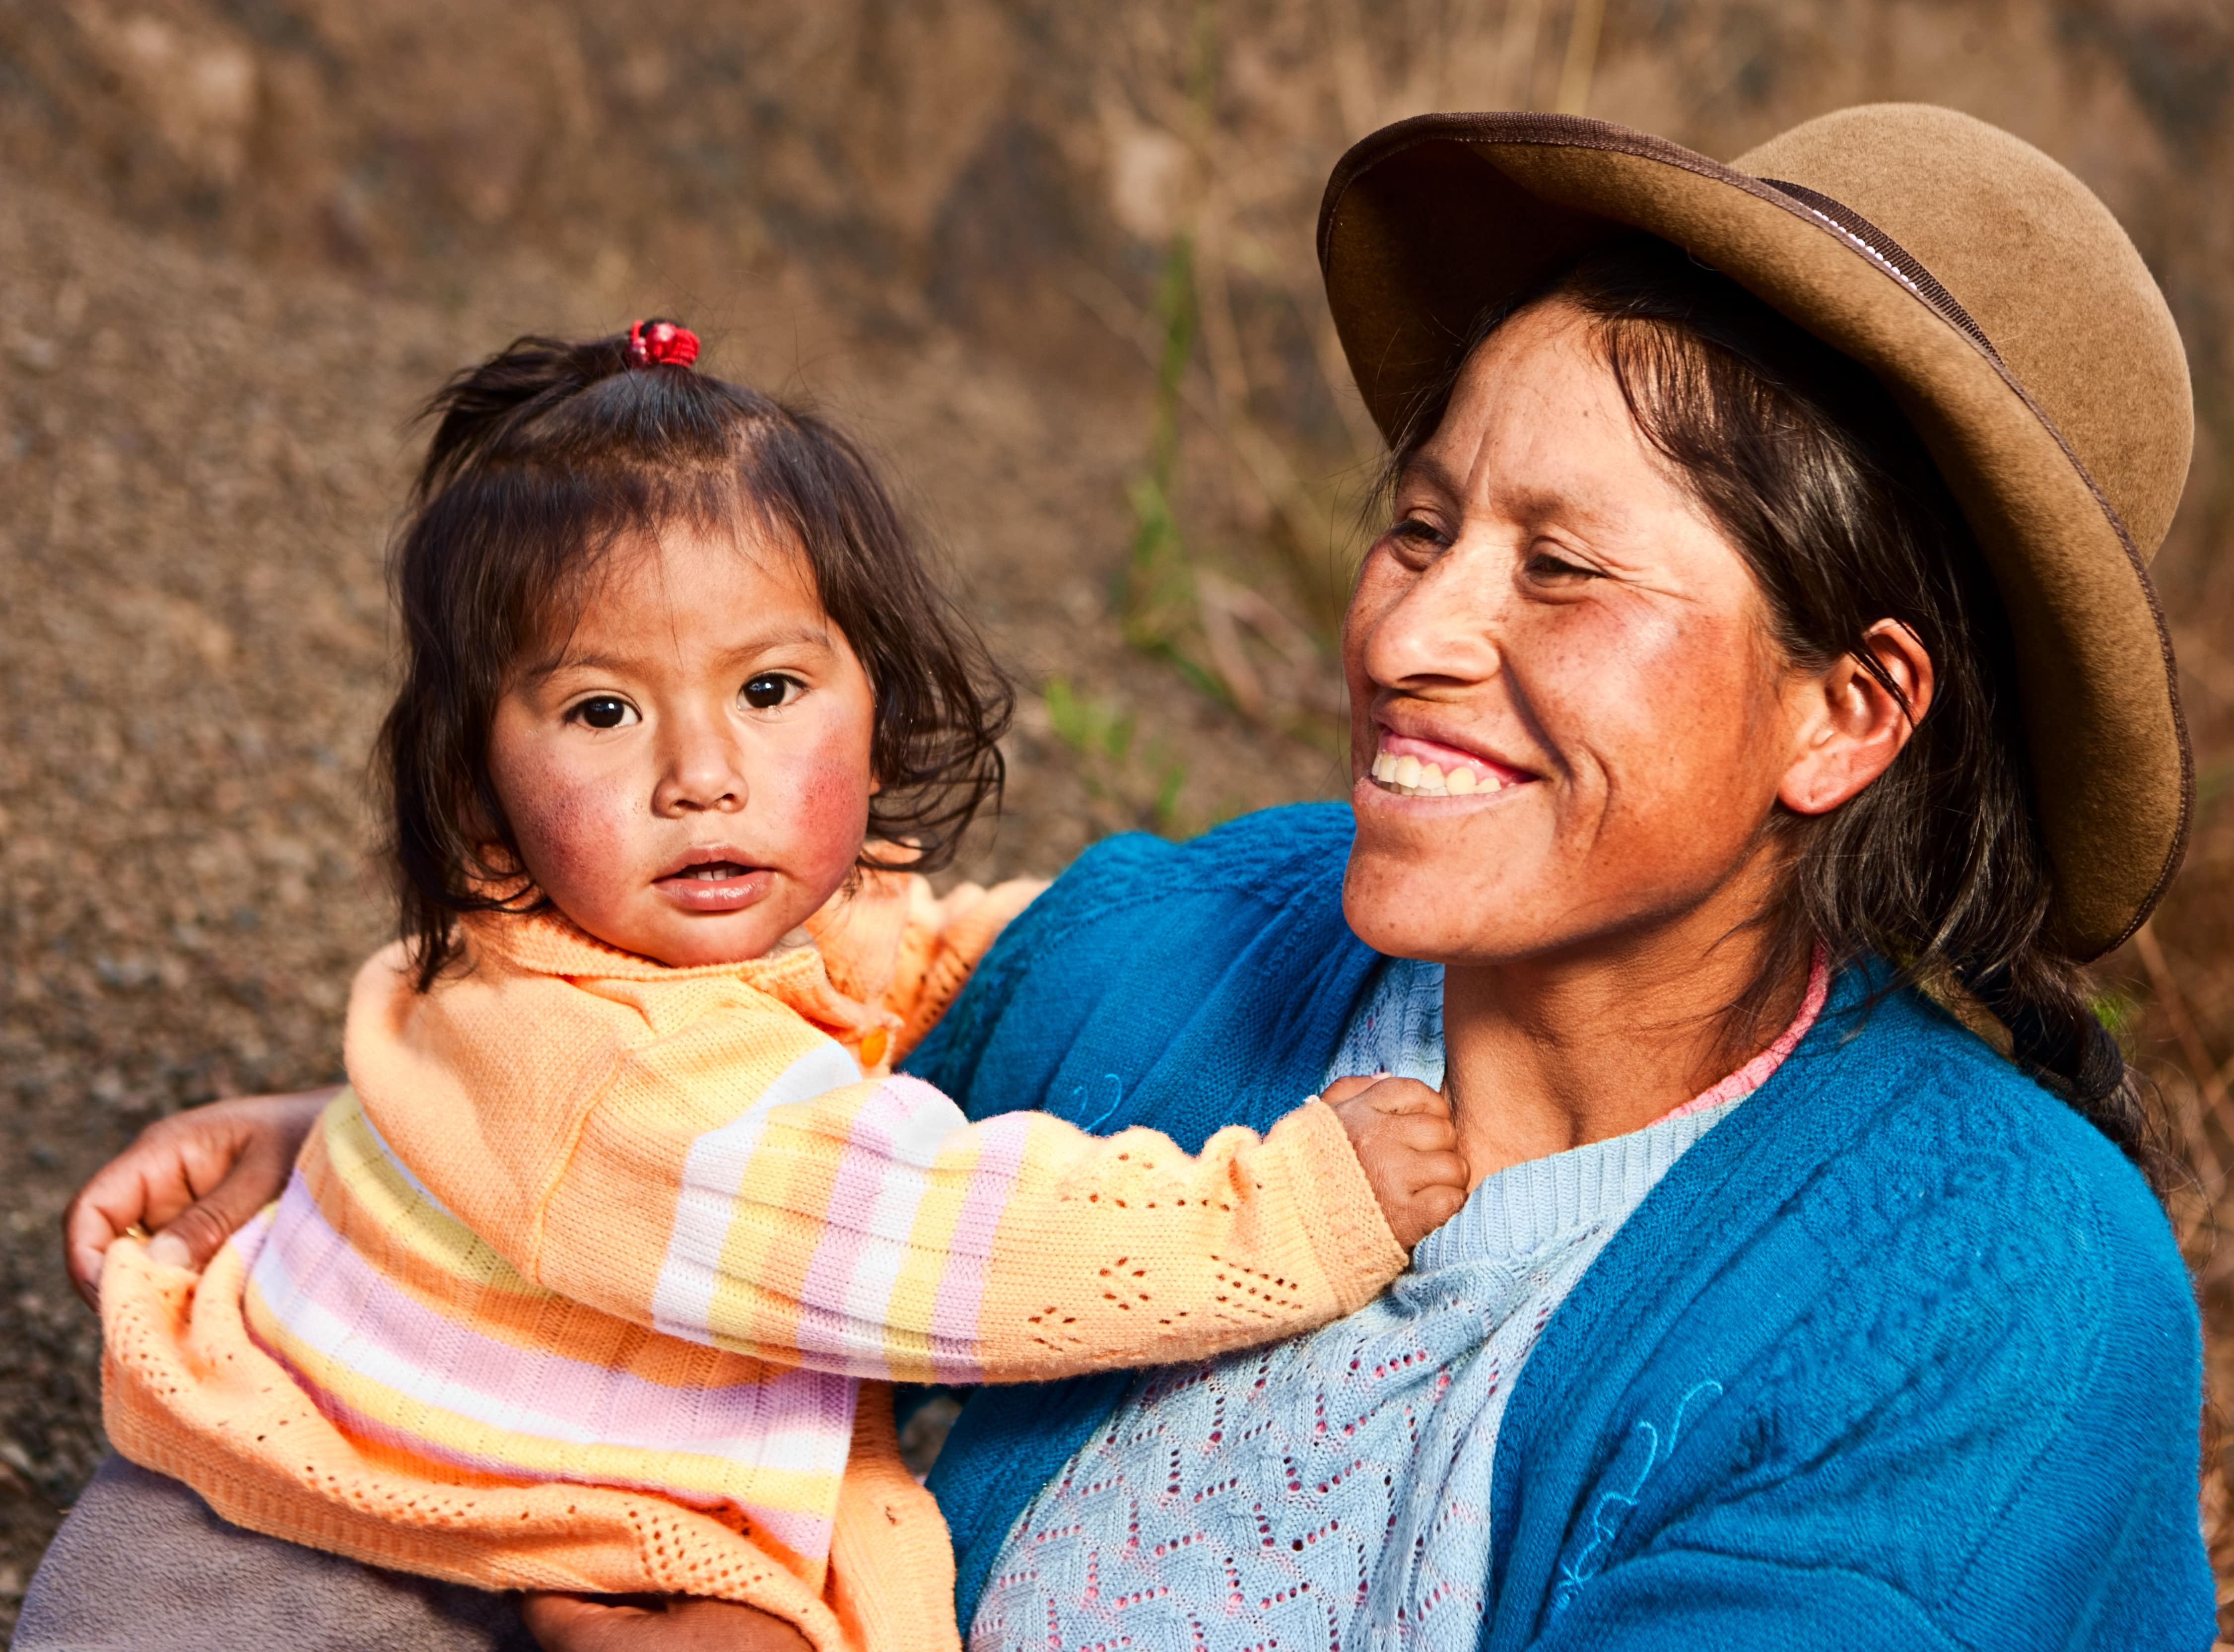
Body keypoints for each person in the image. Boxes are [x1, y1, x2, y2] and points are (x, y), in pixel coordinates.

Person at [40, 103, 2221, 1652]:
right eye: (1420, 521)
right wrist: (389, 1141)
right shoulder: (1178, 950)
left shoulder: (1982, 1312)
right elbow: (731, 1118)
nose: (1405, 635)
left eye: (1559, 570)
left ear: (1851, 710)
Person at [35, 320, 1467, 1650]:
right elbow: (948, 1238)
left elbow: (915, 964)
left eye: (770, 692)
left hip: (490, 1487)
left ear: (879, 708)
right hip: (305, 1560)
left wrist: (1117, 946)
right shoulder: (636, 1088)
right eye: (602, 712)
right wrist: (1296, 1212)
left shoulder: (676, 947)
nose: (701, 774)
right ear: (481, 794)